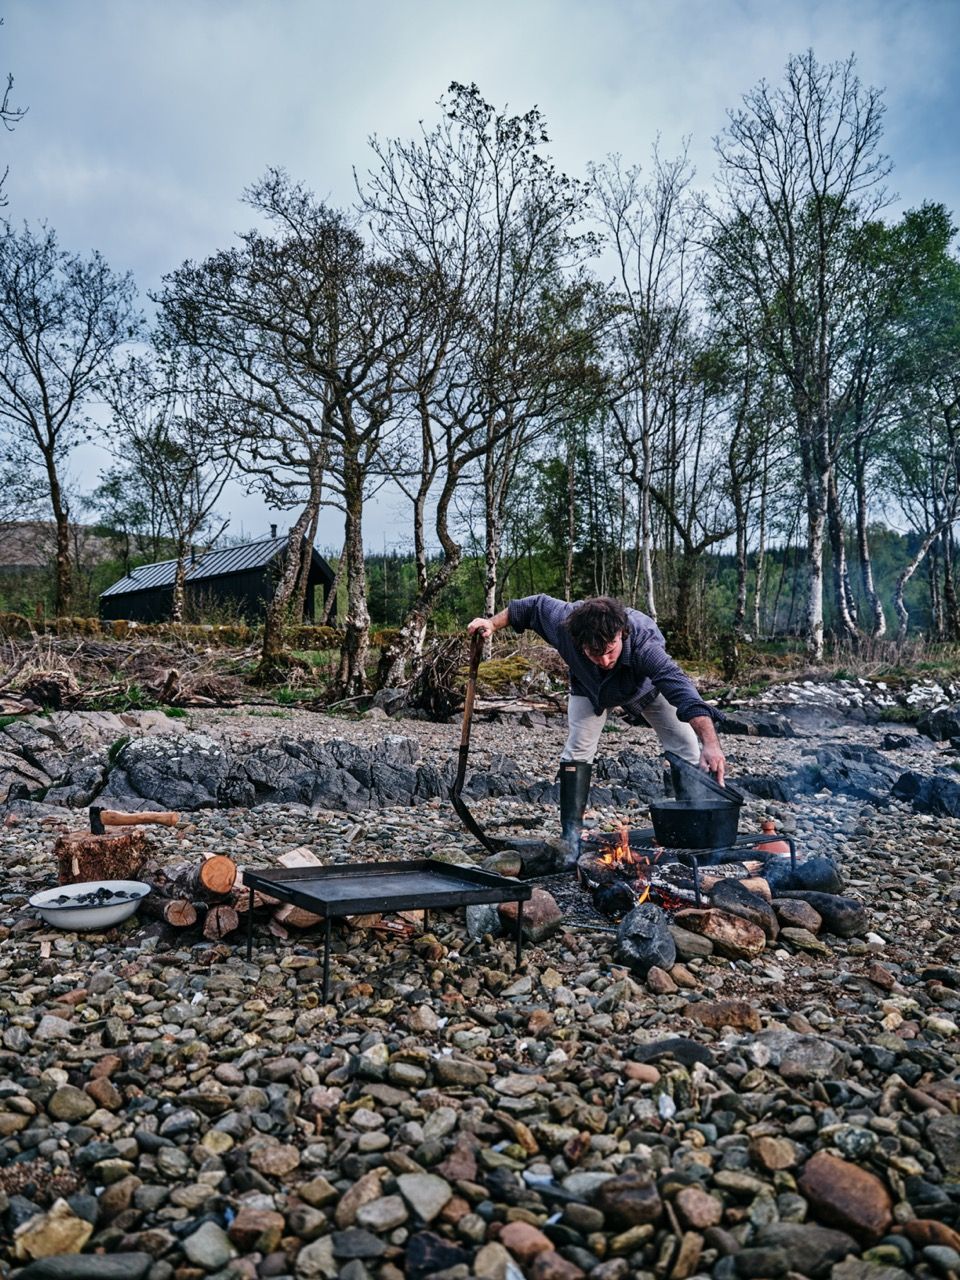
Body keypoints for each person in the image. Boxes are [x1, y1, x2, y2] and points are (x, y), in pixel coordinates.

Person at [467, 595, 726, 848]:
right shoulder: (563, 623)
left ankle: (692, 827)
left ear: (621, 634)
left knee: (686, 746)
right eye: (594, 654)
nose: (604, 661)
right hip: (590, 689)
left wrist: (711, 743)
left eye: (610, 652)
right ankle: (571, 838)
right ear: (579, 642)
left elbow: (684, 692)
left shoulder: (645, 644)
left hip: (646, 689)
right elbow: (529, 607)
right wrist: (491, 623)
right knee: (577, 750)